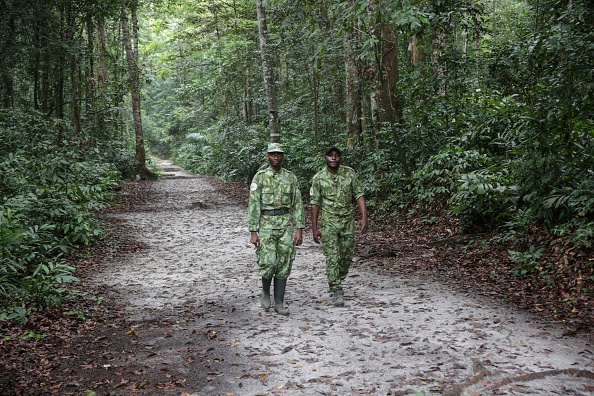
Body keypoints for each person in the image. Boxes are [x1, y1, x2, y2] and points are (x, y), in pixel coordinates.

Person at [248, 143, 305, 315]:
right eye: (273, 154)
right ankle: (266, 292)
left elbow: (298, 203)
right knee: (268, 262)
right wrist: (253, 230)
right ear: (267, 156)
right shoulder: (260, 177)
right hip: (266, 223)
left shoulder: (290, 177)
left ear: (282, 156)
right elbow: (254, 203)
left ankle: (279, 302)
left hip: (285, 223)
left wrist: (299, 228)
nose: (276, 157)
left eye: (279, 154)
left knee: (284, 263)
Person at [310, 145, 368, 307]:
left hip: (347, 221)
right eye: (330, 155)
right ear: (325, 158)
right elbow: (315, 204)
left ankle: (338, 279)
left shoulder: (349, 174)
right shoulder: (319, 178)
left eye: (336, 155)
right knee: (333, 256)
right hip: (329, 222)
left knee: (347, 255)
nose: (334, 158)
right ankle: (336, 288)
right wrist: (314, 228)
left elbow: (359, 194)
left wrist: (364, 217)